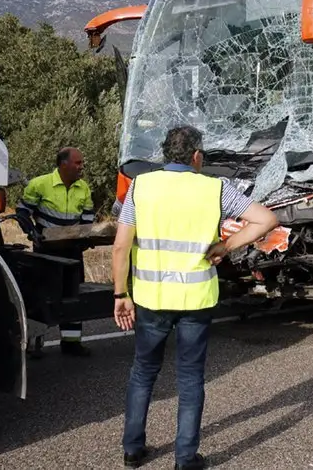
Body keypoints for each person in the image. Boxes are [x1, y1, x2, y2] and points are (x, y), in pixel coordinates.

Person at [110, 126, 279, 470]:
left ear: (165, 154)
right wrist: (226, 246)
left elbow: (120, 246)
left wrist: (120, 293)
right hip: (195, 300)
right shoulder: (215, 188)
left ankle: (132, 449)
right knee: (190, 379)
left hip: (151, 298)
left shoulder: (141, 186)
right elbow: (266, 219)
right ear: (197, 157)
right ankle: (185, 458)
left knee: (143, 371)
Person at [15, 146, 96, 357]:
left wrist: (88, 237)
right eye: (77, 163)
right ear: (63, 164)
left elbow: (88, 216)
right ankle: (34, 343)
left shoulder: (83, 188)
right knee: (41, 295)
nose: (81, 167)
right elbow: (22, 211)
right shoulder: (40, 184)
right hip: (46, 252)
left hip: (73, 251)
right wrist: (31, 232)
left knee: (72, 295)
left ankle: (71, 342)